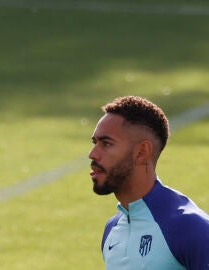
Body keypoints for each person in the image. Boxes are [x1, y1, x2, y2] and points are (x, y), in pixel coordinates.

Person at [88, 96, 209, 270]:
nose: (93, 154)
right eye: (95, 143)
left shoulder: (191, 229)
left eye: (106, 144)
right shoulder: (113, 229)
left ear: (141, 152)